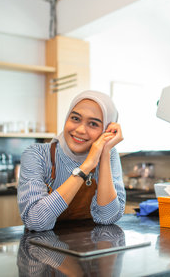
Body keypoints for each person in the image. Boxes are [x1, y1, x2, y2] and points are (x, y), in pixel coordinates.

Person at [17, 90, 126, 231]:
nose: (80, 130)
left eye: (93, 124)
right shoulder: (37, 154)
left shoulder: (109, 155)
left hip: (90, 248)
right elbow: (36, 221)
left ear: (106, 131)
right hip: (44, 249)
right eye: (75, 118)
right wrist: (86, 166)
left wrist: (105, 152)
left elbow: (108, 217)